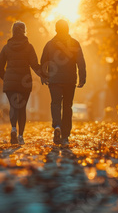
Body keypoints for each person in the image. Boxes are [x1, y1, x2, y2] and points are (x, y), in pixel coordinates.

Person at [41, 19, 86, 147]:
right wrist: (82, 77)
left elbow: (44, 61)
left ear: (56, 30)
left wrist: (44, 76)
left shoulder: (49, 44)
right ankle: (65, 135)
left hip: (54, 80)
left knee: (55, 103)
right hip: (69, 80)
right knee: (67, 106)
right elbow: (80, 61)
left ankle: (57, 126)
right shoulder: (74, 43)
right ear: (67, 29)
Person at [0, 21, 43, 145]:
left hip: (10, 82)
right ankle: (21, 136)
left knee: (13, 106)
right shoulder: (29, 47)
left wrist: (5, 77)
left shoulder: (6, 47)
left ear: (13, 31)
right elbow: (34, 65)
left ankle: (13, 129)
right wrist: (44, 75)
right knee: (22, 108)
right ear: (24, 31)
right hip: (24, 82)